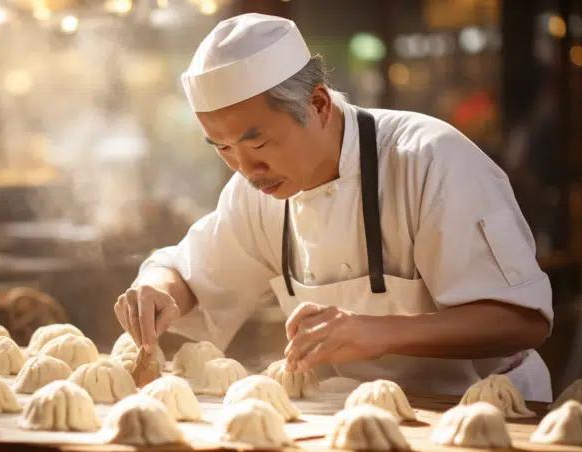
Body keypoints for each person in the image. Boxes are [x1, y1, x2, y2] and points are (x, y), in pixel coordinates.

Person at [113, 14, 554, 401]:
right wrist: (158, 289)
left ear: (318, 104)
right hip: (348, 413)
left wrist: (377, 333)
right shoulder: (258, 191)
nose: (246, 168)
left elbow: (521, 320)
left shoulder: (429, 160)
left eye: (259, 142)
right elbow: (189, 275)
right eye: (223, 148)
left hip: (485, 411)